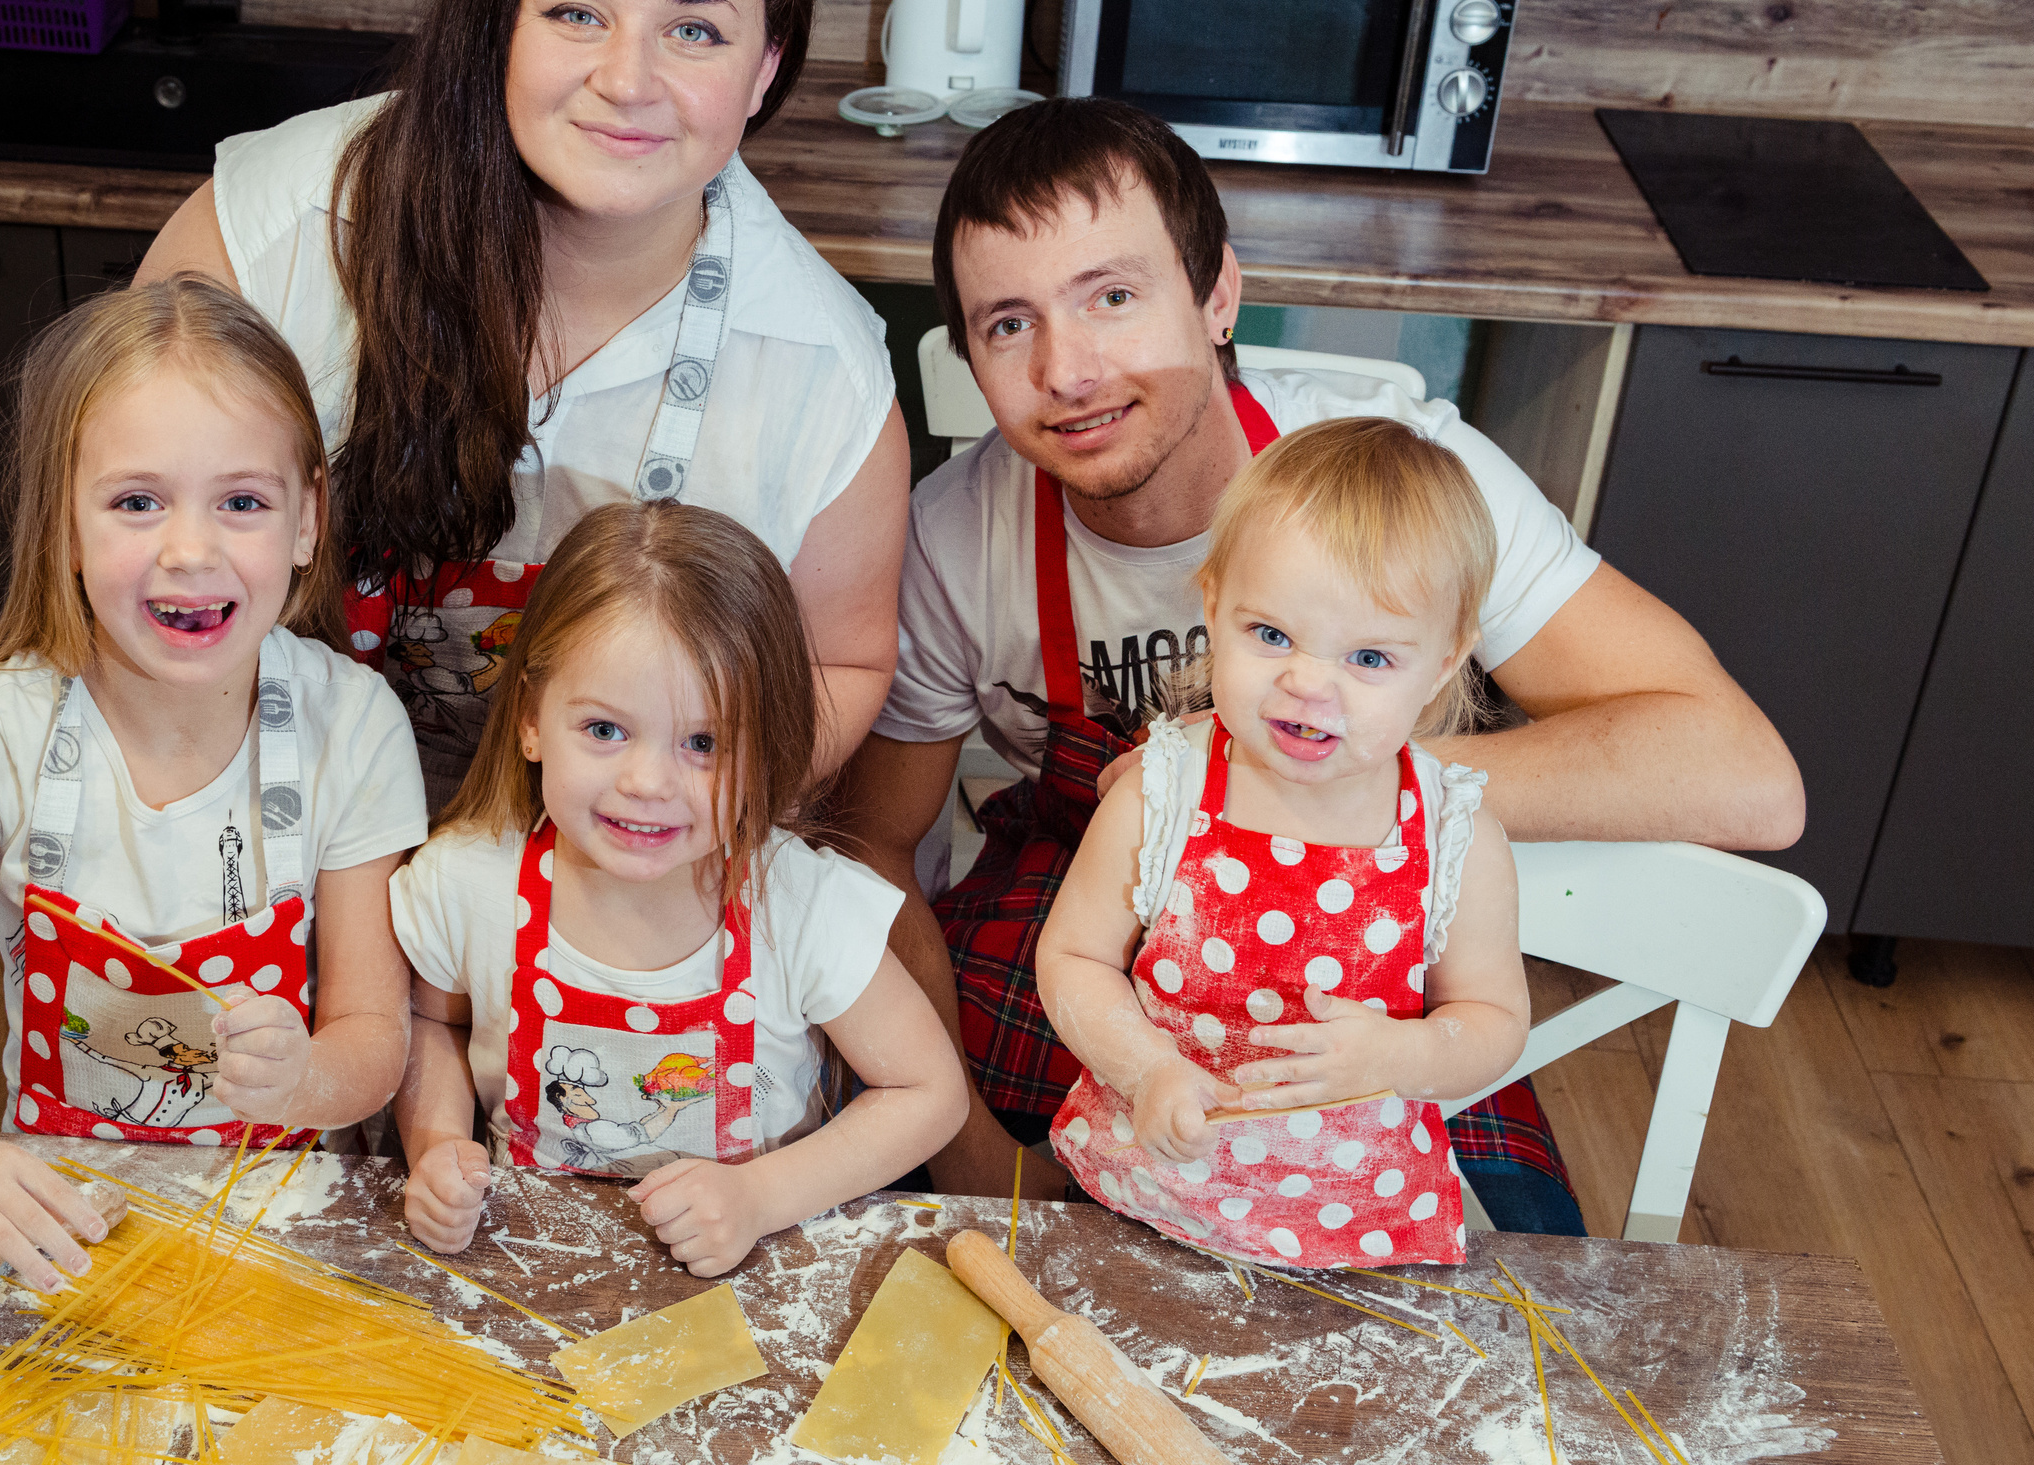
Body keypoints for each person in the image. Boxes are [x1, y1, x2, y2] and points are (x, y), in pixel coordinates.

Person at [840, 97, 1802, 1215]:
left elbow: (1745, 774)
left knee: (1488, 1309)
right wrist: (962, 1143)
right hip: (1080, 931)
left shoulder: (1408, 487)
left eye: (1111, 296)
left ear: (1217, 297)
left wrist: (1331, 788)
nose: (1067, 370)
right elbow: (869, 844)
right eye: (1010, 325)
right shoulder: (950, 539)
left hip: (1366, 983)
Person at [134, 0, 907, 805]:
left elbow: (839, 667)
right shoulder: (272, 230)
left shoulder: (824, 374)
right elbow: (112, 537)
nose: (626, 80)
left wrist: (655, 835)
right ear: (498, 16)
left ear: (764, 66)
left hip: (590, 867)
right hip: (257, 799)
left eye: (694, 30)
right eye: (575, 12)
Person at [0, 279, 428, 1295]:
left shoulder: (356, 729)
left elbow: (375, 1040)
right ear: (64, 526)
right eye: (136, 501)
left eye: (242, 502)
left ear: (307, 520)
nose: (189, 550)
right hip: (58, 1219)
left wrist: (303, 1077)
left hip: (282, 1223)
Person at [390, 501, 968, 1278]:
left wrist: (760, 1196)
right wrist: (436, 1146)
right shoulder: (467, 883)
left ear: (767, 750)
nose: (647, 782)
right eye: (604, 729)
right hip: (528, 1268)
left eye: (704, 743)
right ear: (531, 718)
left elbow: (930, 1091)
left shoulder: (795, 903)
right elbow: (434, 1022)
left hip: (756, 1277)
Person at [1037, 418, 1531, 1265]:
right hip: (1147, 1202)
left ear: (1444, 664)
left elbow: (1493, 1020)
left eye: (1370, 656)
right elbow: (1072, 960)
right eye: (1270, 635)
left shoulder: (1455, 836)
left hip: (1359, 1227)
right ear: (1213, 605)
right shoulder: (1162, 796)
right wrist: (1147, 1067)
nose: (1308, 681)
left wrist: (1398, 1051)